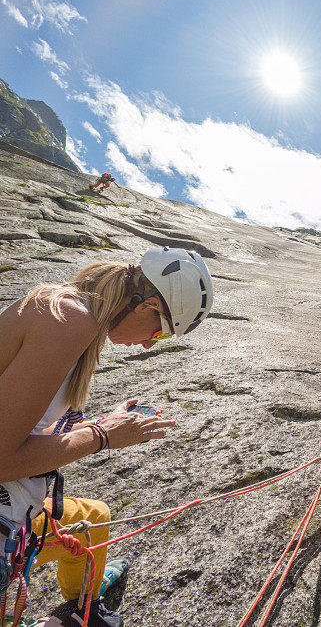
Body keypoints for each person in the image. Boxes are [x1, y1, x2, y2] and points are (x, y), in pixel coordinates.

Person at [0, 246, 214, 626]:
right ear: (146, 304)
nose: (151, 343)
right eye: (162, 331)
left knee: (94, 517)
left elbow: (23, 424)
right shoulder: (67, 319)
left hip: (18, 510)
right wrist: (103, 435)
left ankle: (83, 605)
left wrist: (93, 425)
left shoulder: (75, 320)